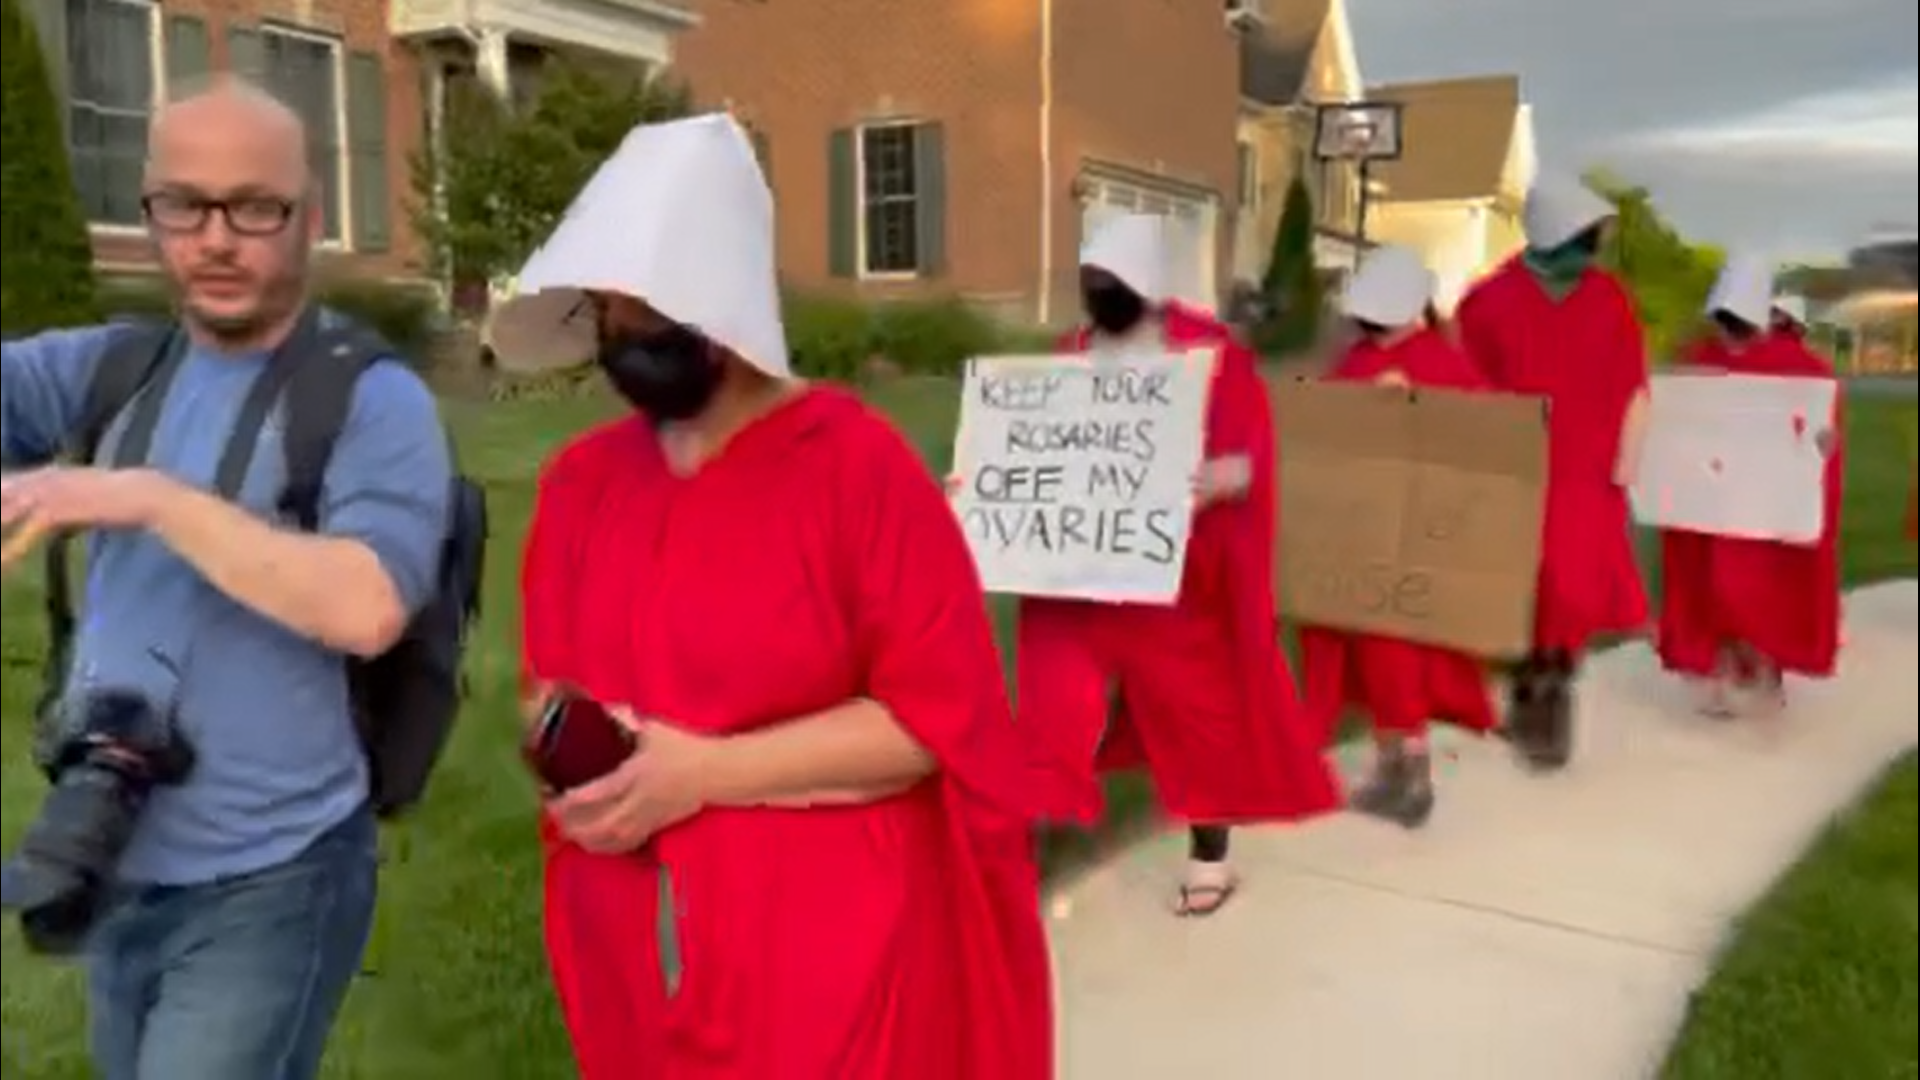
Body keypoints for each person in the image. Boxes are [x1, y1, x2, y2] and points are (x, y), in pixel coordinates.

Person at [491, 114, 1053, 1079]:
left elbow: (934, 724)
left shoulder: (856, 470)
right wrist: (577, 753)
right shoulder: (581, 483)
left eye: (653, 318)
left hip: (830, 967)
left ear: (723, 310)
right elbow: (546, 693)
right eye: (608, 315)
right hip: (631, 950)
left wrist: (701, 773)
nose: (627, 342)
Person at [0, 81, 451, 1079]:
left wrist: (146, 499)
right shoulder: (117, 367)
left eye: (255, 207)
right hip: (112, 850)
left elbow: (367, 603)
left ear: (312, 219)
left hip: (271, 874)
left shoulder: (370, 399)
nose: (216, 239)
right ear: (149, 206)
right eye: (183, 205)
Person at [994, 213, 1338, 917]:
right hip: (1077, 584)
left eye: (1110, 282)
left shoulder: (1211, 355)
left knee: (1199, 719)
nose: (1098, 293)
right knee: (1051, 714)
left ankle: (1210, 858)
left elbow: (1249, 461)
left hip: (1174, 585)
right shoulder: (1068, 355)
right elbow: (1028, 455)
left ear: (1148, 286)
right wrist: (986, 486)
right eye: (1090, 282)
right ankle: (1022, 852)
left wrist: (1213, 479)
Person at [1297, 246, 1500, 827]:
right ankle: (1393, 766)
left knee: (1395, 653)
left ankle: (1410, 770)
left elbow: (1480, 435)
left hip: (1413, 535)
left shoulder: (1441, 361)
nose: (1372, 330)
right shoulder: (1355, 358)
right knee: (1365, 650)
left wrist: (1414, 402)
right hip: (1354, 531)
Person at [1454, 177, 1652, 771]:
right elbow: (1466, 387)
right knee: (1527, 582)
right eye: (1584, 238)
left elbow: (1632, 379)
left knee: (1573, 582)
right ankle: (1532, 680)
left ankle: (1555, 681)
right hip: (1519, 467)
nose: (1592, 251)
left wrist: (1629, 456)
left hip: (1588, 466)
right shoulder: (1487, 301)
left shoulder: (1610, 299)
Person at [1658, 256, 1843, 715]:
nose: (1729, 334)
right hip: (1713, 500)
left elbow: (1820, 435)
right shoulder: (1699, 360)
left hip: (1765, 506)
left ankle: (1761, 668)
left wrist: (1821, 443)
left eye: (1737, 323)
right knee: (1711, 584)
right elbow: (1676, 422)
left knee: (1755, 587)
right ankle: (1723, 666)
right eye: (1724, 322)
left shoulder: (1801, 367)